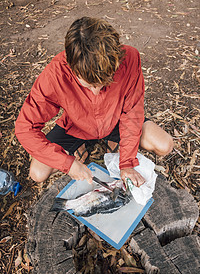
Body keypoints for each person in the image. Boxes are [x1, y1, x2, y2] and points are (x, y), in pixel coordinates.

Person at [15, 17, 173, 187]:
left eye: (105, 83)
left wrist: (126, 162)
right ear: (71, 66)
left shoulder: (130, 58)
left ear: (118, 59)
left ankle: (111, 142)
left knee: (164, 144)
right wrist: (68, 163)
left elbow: (132, 112)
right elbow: (25, 128)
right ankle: (80, 147)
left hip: (117, 121)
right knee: (37, 173)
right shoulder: (56, 74)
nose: (96, 92)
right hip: (76, 127)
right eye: (88, 85)